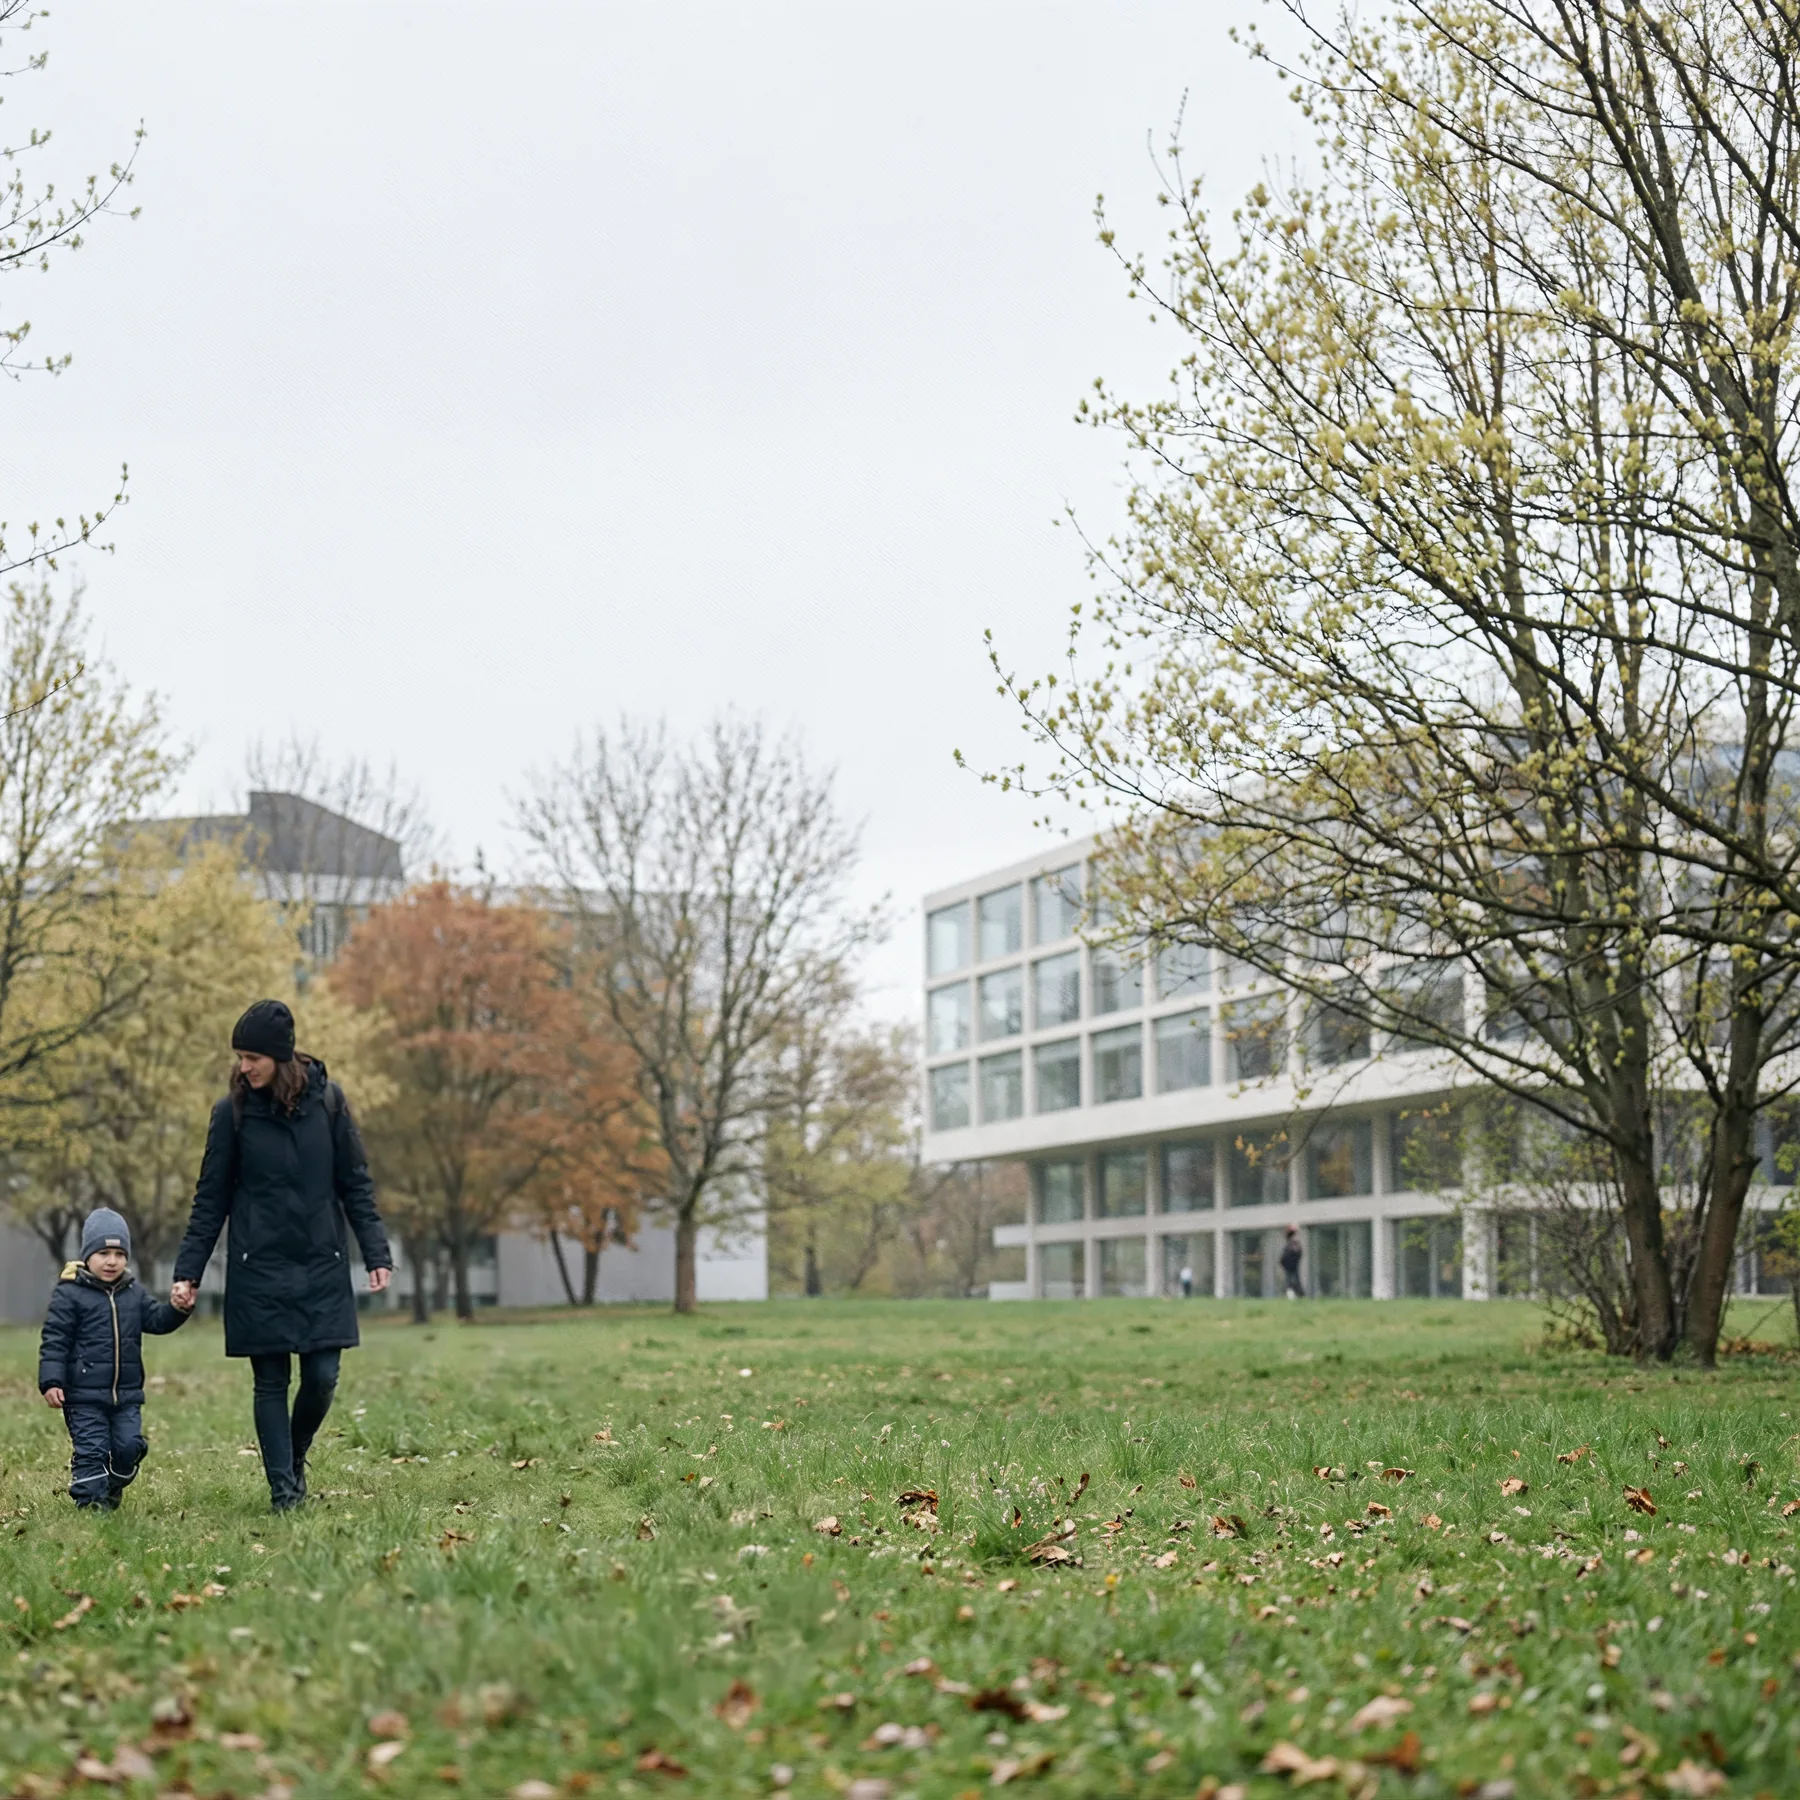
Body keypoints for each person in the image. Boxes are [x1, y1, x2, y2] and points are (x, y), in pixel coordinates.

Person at [170, 1000, 393, 1512]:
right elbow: (211, 1198)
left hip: (321, 1263)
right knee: (270, 1380)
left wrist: (375, 1249)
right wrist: (189, 1271)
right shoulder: (233, 1113)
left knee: (322, 1376)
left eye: (252, 1057)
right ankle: (284, 1493)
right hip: (259, 1266)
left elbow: (354, 1184)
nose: (243, 1067)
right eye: (240, 1057)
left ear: (280, 1055)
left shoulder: (330, 1105)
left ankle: (293, 1455)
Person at [37, 1207, 194, 1510]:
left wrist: (178, 1308)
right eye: (104, 1253)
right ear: (87, 1255)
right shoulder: (69, 1294)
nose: (112, 1261)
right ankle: (92, 1510)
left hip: (127, 1396)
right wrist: (51, 1381)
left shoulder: (133, 1293)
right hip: (82, 1395)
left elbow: (159, 1321)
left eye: (120, 1254)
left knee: (126, 1448)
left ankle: (112, 1486)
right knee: (92, 1451)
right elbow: (55, 1339)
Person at [1279, 1225, 1305, 1299]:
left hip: (1292, 1265)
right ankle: (1293, 1296)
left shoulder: (1292, 1244)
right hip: (1291, 1266)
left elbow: (1298, 1253)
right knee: (1291, 1281)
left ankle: (1297, 1295)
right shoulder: (1292, 1244)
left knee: (1293, 1281)